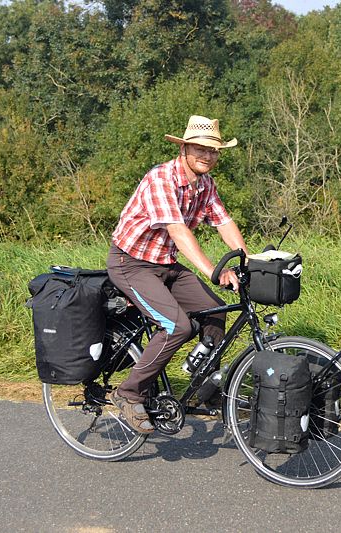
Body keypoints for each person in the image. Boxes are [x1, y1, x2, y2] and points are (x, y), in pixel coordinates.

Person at [107, 115, 248, 433]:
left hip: (165, 265)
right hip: (131, 264)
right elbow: (179, 233)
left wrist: (249, 260)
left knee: (216, 312)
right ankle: (128, 392)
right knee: (176, 326)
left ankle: (204, 387)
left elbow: (224, 222)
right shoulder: (162, 179)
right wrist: (214, 270)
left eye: (214, 151)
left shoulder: (205, 184)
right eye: (201, 149)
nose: (208, 156)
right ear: (184, 148)